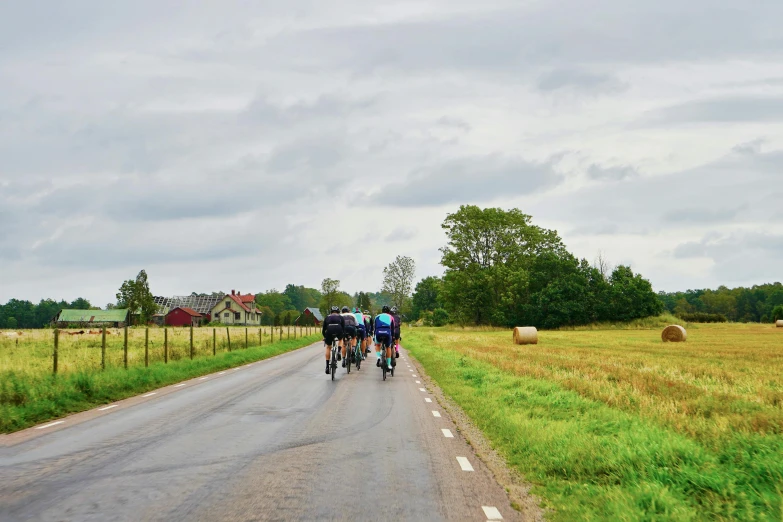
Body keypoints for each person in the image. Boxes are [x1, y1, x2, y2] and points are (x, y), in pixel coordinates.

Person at [322, 306, 344, 374]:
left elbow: (323, 329)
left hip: (329, 330)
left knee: (328, 347)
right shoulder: (340, 317)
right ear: (338, 311)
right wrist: (343, 335)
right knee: (341, 340)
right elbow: (343, 328)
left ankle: (327, 367)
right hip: (338, 329)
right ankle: (339, 351)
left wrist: (325, 336)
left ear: (331, 312)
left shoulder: (327, 317)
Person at [374, 305, 395, 370]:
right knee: (388, 347)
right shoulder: (391, 317)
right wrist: (393, 337)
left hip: (378, 332)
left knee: (377, 345)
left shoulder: (377, 316)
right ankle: (388, 364)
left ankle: (378, 357)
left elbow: (375, 328)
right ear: (388, 311)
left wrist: (374, 336)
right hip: (387, 332)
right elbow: (392, 328)